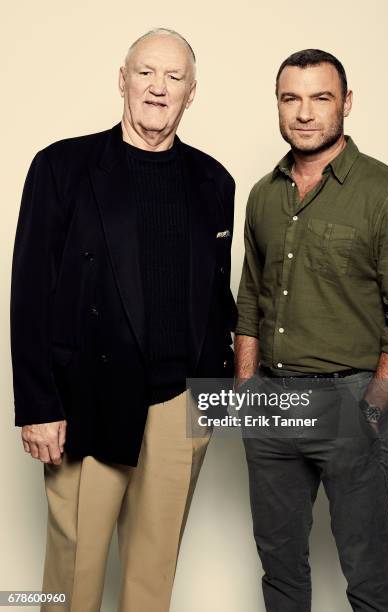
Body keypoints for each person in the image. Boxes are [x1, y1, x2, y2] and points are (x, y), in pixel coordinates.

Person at [10, 28, 237, 612]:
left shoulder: (214, 180)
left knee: (152, 577)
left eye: (174, 77)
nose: (158, 89)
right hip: (89, 397)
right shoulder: (63, 166)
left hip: (179, 403)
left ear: (191, 93)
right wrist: (38, 406)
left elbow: (215, 296)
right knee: (72, 575)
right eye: (146, 73)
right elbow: (31, 290)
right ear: (122, 80)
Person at [235, 48, 388, 612]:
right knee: (278, 567)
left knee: (366, 570)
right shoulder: (263, 195)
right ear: (277, 104)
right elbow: (249, 298)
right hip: (271, 399)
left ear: (345, 104)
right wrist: (247, 391)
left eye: (320, 98)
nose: (304, 113)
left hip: (349, 397)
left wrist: (372, 406)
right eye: (290, 98)